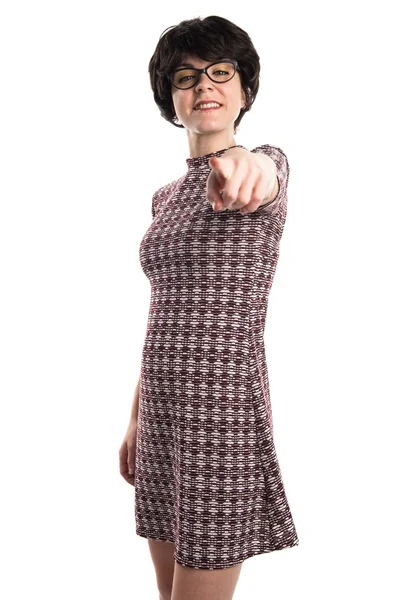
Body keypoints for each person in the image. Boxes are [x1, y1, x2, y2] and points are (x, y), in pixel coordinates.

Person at [119, 15, 299, 600]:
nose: (205, 87)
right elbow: (161, 312)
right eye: (187, 76)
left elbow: (262, 172)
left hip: (220, 411)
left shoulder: (262, 165)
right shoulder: (165, 197)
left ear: (244, 90)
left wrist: (250, 162)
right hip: (163, 409)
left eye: (221, 73)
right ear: (170, 98)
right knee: (166, 591)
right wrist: (136, 415)